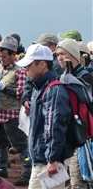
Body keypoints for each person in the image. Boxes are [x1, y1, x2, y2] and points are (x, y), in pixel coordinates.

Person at [16, 43, 74, 189]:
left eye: (29, 65)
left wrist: (53, 159)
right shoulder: (40, 88)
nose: (26, 69)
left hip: (48, 162)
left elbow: (54, 127)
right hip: (42, 159)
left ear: (42, 64)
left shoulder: (53, 90)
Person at [56, 38, 93, 189]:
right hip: (68, 135)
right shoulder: (63, 76)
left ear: (73, 55)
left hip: (82, 136)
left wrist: (72, 83)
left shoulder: (86, 77)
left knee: (79, 180)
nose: (59, 58)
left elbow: (87, 101)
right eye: (57, 54)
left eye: (63, 54)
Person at [0, 36, 30, 185]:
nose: (2, 59)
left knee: (20, 145)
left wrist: (5, 88)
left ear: (12, 55)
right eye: (0, 56)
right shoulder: (0, 68)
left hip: (12, 114)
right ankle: (1, 167)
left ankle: (28, 171)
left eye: (4, 56)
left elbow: (21, 93)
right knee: (0, 142)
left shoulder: (19, 71)